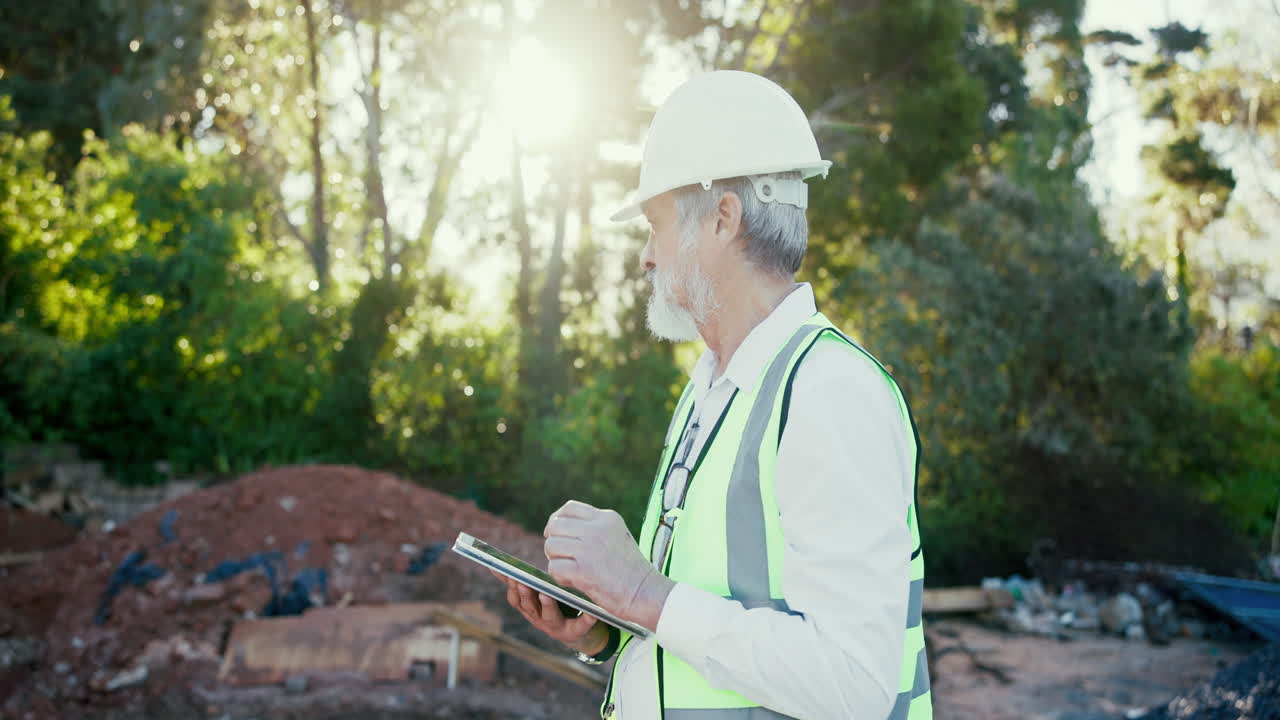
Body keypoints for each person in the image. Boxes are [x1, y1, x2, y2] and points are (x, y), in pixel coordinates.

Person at [493, 70, 931, 720]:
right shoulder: (711, 391)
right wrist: (605, 628)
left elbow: (854, 682)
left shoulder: (829, 393)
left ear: (723, 218)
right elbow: (705, 614)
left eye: (655, 225)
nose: (646, 256)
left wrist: (639, 589)